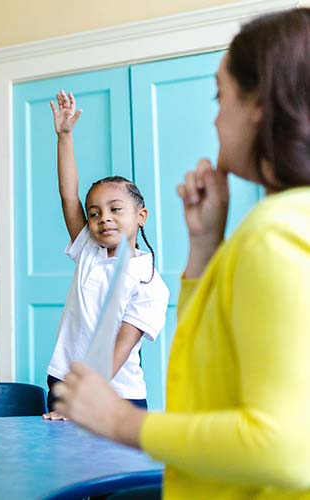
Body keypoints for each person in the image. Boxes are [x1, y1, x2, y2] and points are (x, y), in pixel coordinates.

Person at [54, 8, 310, 499]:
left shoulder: (275, 233)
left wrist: (124, 422)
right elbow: (214, 371)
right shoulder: (284, 228)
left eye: (221, 95)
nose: (215, 116)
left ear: (259, 102)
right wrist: (205, 247)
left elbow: (286, 447)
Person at [43, 90, 169, 419]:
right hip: (65, 382)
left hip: (116, 396)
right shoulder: (88, 249)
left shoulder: (149, 282)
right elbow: (68, 193)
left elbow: (120, 349)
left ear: (141, 216)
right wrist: (65, 136)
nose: (103, 219)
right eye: (95, 213)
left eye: (115, 209)